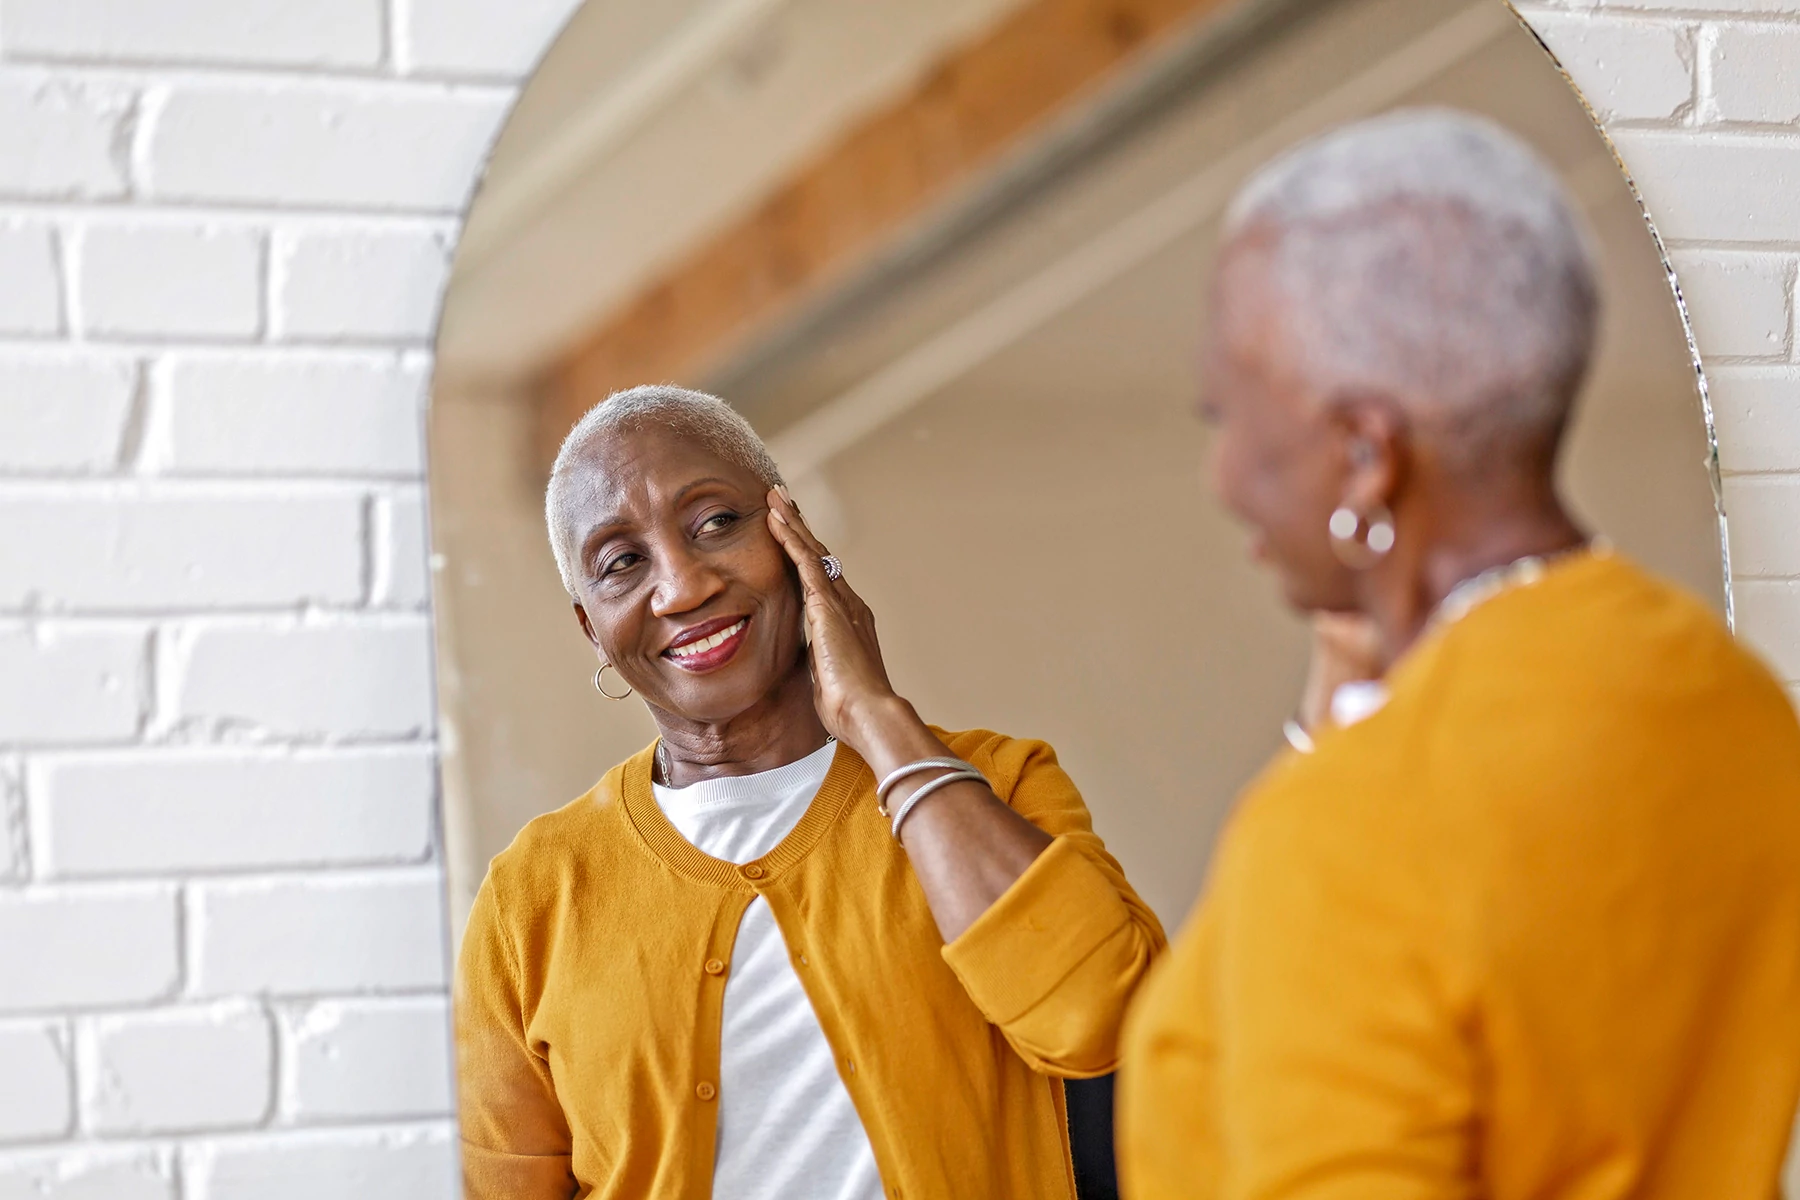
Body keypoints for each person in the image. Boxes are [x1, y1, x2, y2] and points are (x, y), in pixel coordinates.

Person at [1117, 108, 1800, 1198]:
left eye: (1229, 412)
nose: (1223, 473)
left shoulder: (1357, 825)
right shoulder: (1732, 703)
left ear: (1363, 452)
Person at [454, 384, 1166, 1200]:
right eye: (623, 563)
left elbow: (1110, 1024)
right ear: (592, 626)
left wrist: (877, 719)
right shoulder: (533, 899)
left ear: (790, 527)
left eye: (716, 523)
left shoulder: (996, 785)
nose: (682, 587)